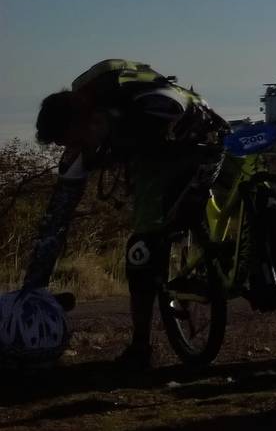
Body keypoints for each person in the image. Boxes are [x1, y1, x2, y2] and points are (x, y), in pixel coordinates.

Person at [31, 59, 231, 370]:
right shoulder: (102, 109)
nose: (77, 148)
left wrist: (116, 151)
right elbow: (58, 215)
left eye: (74, 140)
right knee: (169, 222)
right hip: (203, 132)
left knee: (141, 249)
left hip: (181, 143)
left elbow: (170, 111)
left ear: (84, 119)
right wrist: (34, 289)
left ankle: (141, 346)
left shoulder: (139, 107)